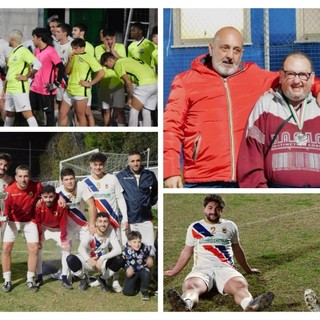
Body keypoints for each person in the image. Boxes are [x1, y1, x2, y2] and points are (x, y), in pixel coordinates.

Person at [163, 26, 283, 188]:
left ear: (242, 54)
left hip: (248, 177)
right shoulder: (186, 81)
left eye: (236, 50)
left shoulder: (257, 77)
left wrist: (317, 89)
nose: (230, 56)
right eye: (224, 48)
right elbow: (170, 127)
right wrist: (170, 170)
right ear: (211, 49)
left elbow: (297, 79)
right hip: (201, 179)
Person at [164, 194, 274, 312]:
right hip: (202, 269)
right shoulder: (195, 227)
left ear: (221, 210)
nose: (213, 212)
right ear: (204, 208)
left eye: (217, 209)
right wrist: (174, 271)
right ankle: (185, 304)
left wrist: (248, 269)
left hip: (225, 268)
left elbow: (237, 249)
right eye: (210, 208)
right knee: (191, 286)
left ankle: (250, 306)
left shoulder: (230, 226)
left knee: (240, 286)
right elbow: (187, 251)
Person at [237, 51, 320, 188]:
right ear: (281, 76)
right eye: (291, 74)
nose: (296, 81)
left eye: (303, 75)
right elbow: (251, 159)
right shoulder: (266, 105)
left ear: (312, 78)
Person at [83, 152, 128, 293]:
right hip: (97, 226)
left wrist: (125, 218)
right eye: (95, 164)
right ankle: (99, 276)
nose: (98, 167)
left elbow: (120, 199)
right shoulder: (85, 182)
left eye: (100, 164)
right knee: (96, 250)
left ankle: (114, 280)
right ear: (90, 165)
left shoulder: (112, 179)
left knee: (115, 252)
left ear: (104, 165)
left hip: (113, 222)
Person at [1, 165, 42, 292]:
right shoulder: (9, 190)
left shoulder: (37, 186)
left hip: (30, 221)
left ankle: (30, 279)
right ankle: (7, 280)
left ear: (29, 177)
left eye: (26, 176)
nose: (23, 179)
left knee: (34, 249)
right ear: (15, 177)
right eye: (20, 176)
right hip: (13, 221)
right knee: (6, 248)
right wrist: (3, 217)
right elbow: (6, 208)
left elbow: (48, 194)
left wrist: (42, 199)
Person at [65, 212, 124, 291]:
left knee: (120, 259)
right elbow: (81, 248)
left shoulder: (110, 230)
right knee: (70, 259)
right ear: (96, 223)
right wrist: (88, 259)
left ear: (109, 222)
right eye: (100, 221)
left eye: (105, 221)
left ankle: (102, 279)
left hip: (101, 263)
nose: (103, 224)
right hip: (87, 261)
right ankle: (84, 278)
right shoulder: (90, 232)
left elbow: (118, 249)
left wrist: (102, 258)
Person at [100, 52, 157, 127]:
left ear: (110, 60)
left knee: (134, 111)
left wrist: (129, 98)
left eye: (106, 65)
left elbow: (128, 83)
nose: (107, 68)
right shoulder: (127, 59)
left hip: (144, 85)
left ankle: (131, 134)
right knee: (146, 111)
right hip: (156, 83)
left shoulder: (118, 65)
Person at [58, 38, 105, 126]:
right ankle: (61, 135)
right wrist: (69, 60)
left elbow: (101, 72)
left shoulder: (89, 58)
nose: (74, 50)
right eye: (73, 48)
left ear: (82, 48)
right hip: (69, 90)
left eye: (76, 48)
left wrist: (90, 83)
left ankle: (82, 136)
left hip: (80, 91)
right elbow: (66, 72)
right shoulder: (72, 56)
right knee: (62, 113)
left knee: (80, 116)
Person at [116, 151, 158, 246]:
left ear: (141, 161)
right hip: (129, 220)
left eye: (138, 160)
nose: (136, 163)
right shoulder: (120, 176)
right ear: (128, 162)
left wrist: (148, 203)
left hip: (145, 218)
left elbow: (156, 191)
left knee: (149, 248)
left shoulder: (149, 175)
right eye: (133, 161)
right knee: (130, 249)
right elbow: (117, 196)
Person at [35, 184, 71, 289]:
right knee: (36, 249)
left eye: (51, 196)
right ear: (41, 196)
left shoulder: (61, 205)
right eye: (45, 197)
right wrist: (38, 239)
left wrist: (64, 239)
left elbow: (63, 223)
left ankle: (64, 277)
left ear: (55, 195)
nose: (48, 200)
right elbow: (37, 222)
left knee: (66, 250)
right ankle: (40, 277)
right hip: (45, 228)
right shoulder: (38, 205)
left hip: (58, 229)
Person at [2, 29, 41, 127]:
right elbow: (11, 71)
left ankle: (35, 132)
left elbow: (37, 64)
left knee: (27, 113)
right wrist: (4, 88)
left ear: (12, 39)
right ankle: (7, 133)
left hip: (19, 88)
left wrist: (27, 77)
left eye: (9, 39)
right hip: (10, 87)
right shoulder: (12, 52)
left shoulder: (23, 51)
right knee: (9, 113)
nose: (8, 41)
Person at [29, 27, 64, 126]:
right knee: (31, 113)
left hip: (46, 89)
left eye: (34, 37)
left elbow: (61, 67)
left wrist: (56, 84)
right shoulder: (36, 50)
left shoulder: (50, 51)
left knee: (49, 115)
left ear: (39, 38)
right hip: (34, 88)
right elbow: (34, 66)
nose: (32, 39)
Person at [95, 28, 126, 127]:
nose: (109, 41)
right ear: (102, 39)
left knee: (120, 109)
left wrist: (113, 51)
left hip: (118, 83)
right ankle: (107, 128)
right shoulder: (98, 48)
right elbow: (99, 64)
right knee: (106, 110)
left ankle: (122, 128)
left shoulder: (120, 47)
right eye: (107, 39)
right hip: (104, 83)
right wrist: (107, 51)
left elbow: (124, 62)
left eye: (111, 39)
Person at [71, 22, 95, 126]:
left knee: (87, 112)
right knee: (77, 111)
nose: (72, 32)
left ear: (82, 33)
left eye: (75, 30)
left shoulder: (89, 47)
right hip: (73, 84)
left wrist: (88, 83)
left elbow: (91, 65)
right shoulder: (72, 45)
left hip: (83, 85)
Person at [122, 230, 155, 300]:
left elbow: (151, 252)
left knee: (146, 273)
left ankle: (144, 291)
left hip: (143, 268)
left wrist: (151, 258)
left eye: (139, 242)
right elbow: (123, 262)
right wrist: (127, 269)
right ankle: (137, 285)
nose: (137, 244)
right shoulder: (125, 250)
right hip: (133, 271)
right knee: (127, 292)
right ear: (129, 242)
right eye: (134, 242)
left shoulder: (145, 247)